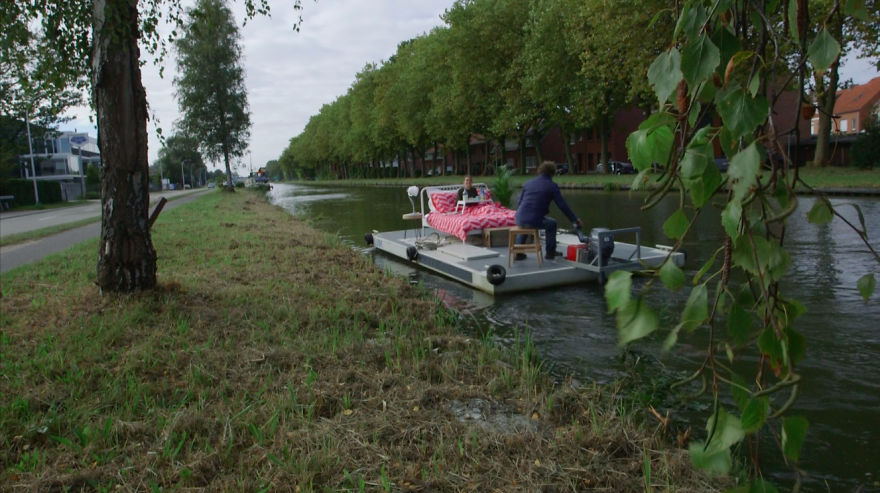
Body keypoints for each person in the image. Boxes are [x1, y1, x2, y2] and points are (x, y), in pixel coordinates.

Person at [514, 161, 582, 260]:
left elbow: (520, 202)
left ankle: (518, 253)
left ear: (540, 170)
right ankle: (550, 253)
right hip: (533, 219)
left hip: (519, 217)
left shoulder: (528, 183)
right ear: (553, 173)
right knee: (552, 224)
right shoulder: (552, 186)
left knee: (525, 222)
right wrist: (575, 220)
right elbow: (562, 206)